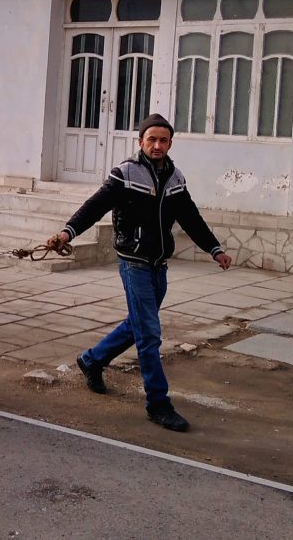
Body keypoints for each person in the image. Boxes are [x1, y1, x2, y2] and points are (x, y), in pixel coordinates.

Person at [48, 113, 233, 432]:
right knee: (149, 333)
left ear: (170, 144)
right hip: (133, 261)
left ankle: (92, 360)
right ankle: (158, 403)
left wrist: (214, 249)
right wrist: (68, 232)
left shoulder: (175, 178)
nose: (157, 145)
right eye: (152, 140)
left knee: (138, 323)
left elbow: (190, 217)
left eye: (163, 140)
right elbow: (95, 206)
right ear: (141, 142)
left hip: (159, 263)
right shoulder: (126, 173)